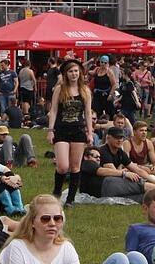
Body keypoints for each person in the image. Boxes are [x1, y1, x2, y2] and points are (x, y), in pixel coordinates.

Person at [81, 134, 155, 206]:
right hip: (107, 185)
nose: (98, 159)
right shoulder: (87, 163)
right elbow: (103, 171)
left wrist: (154, 180)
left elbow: (136, 169)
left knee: (145, 198)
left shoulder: (119, 152)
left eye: (121, 138)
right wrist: (124, 173)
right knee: (146, 186)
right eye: (95, 156)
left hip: (103, 191)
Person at [47, 59, 93, 206]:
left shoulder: (85, 90)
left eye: (76, 71)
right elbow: (53, 110)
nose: (74, 74)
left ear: (80, 73)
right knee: (62, 166)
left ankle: (70, 199)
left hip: (78, 130)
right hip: (61, 129)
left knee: (75, 166)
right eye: (71, 71)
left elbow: (87, 112)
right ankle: (56, 192)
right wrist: (50, 130)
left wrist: (90, 133)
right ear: (66, 74)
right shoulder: (60, 89)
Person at [0, 194, 79, 264]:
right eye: (45, 219)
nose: (52, 223)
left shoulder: (66, 248)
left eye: (57, 218)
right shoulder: (17, 248)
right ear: (32, 222)